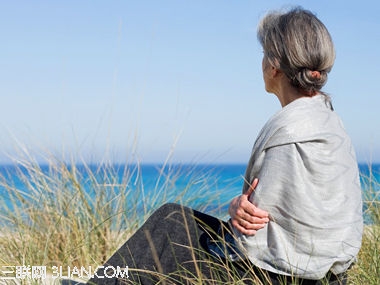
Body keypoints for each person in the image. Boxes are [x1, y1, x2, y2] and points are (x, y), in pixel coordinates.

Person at [86, 7, 363, 285]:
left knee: (171, 223)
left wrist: (241, 216)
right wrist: (241, 207)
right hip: (330, 274)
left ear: (274, 65)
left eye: (264, 53)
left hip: (286, 276)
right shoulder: (330, 123)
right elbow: (284, 213)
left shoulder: (290, 130)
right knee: (176, 225)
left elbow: (253, 238)